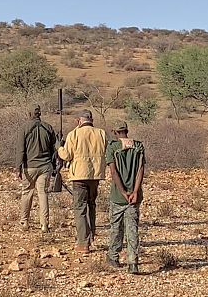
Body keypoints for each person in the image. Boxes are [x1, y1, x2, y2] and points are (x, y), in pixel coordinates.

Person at [58, 109, 106, 253]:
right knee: (91, 205)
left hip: (79, 175)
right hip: (96, 175)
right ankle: (91, 237)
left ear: (78, 121)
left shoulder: (74, 134)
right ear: (91, 120)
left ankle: (82, 242)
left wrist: (59, 147)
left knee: (80, 208)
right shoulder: (101, 133)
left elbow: (66, 155)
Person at [106, 120, 146, 274]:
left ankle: (113, 257)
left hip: (118, 196)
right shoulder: (139, 146)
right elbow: (140, 171)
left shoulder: (113, 147)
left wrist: (123, 192)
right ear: (127, 131)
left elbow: (114, 172)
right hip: (135, 197)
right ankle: (133, 262)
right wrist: (135, 191)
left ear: (115, 132)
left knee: (116, 227)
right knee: (132, 229)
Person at [16, 105, 56, 233]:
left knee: (27, 193)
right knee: (43, 194)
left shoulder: (24, 128)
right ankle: (44, 225)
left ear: (29, 114)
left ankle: (25, 221)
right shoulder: (48, 127)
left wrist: (18, 167)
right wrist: (54, 166)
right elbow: (53, 149)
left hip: (30, 166)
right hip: (45, 166)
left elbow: (21, 150)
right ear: (40, 114)